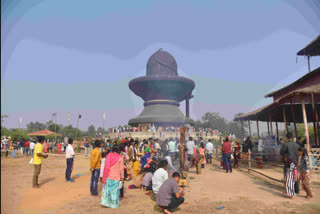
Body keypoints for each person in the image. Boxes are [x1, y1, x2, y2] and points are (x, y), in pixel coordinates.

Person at [101, 144, 124, 208]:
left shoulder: (108, 156)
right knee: (114, 192)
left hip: (108, 176)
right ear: (118, 150)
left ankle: (106, 203)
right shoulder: (120, 158)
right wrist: (122, 177)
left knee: (107, 191)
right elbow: (121, 169)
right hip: (116, 177)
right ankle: (113, 204)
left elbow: (106, 166)